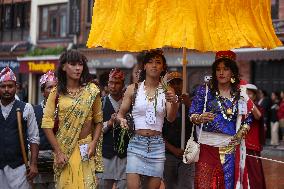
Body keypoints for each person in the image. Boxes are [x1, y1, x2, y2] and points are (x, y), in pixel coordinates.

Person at [116, 49, 179, 189]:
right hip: (136, 142)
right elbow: (120, 114)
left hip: (157, 144)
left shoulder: (168, 90)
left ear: (163, 67)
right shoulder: (133, 89)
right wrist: (122, 120)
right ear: (144, 66)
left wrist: (174, 102)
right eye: (150, 62)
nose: (154, 65)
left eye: (158, 62)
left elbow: (171, 118)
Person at [189, 51, 252, 189]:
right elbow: (192, 114)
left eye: (225, 69)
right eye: (218, 69)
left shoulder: (240, 95)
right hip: (206, 148)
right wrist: (199, 118)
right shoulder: (204, 91)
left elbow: (248, 120)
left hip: (229, 149)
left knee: (226, 186)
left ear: (233, 72)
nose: (221, 72)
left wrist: (240, 134)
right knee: (204, 185)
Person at [42, 50, 103, 189]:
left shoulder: (92, 91)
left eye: (80, 64)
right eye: (73, 64)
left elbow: (98, 121)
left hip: (86, 149)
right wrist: (58, 152)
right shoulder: (55, 92)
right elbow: (46, 124)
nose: (77, 68)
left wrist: (93, 143)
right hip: (64, 150)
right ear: (63, 67)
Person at [0, 66, 39, 189]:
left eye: (10, 86)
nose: (6, 89)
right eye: (3, 86)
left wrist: (33, 164)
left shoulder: (26, 108)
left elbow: (34, 138)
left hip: (20, 168)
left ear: (16, 87)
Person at [162, 71, 195, 189]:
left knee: (185, 185)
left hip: (188, 153)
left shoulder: (190, 101)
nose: (176, 85)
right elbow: (157, 133)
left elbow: (198, 123)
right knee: (169, 186)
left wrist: (189, 104)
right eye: (172, 83)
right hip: (169, 154)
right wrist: (173, 149)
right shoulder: (162, 103)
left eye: (178, 82)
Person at [97, 68, 127, 189]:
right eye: (111, 82)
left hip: (125, 156)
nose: (113, 86)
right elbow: (94, 131)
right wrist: (108, 124)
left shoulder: (128, 104)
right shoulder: (100, 103)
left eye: (117, 83)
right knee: (103, 185)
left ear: (123, 85)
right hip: (105, 156)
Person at [33, 71, 57, 189]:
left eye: (55, 87)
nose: (53, 90)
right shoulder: (34, 110)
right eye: (49, 87)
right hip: (39, 163)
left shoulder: (64, 111)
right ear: (43, 92)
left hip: (58, 163)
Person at [241, 84, 266, 189]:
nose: (247, 95)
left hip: (252, 146)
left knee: (255, 175)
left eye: (249, 93)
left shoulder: (258, 108)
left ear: (255, 96)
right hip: (239, 145)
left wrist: (247, 99)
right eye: (245, 93)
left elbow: (258, 115)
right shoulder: (240, 108)